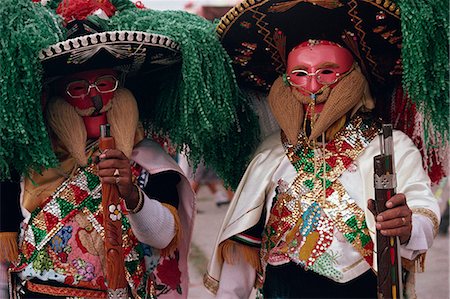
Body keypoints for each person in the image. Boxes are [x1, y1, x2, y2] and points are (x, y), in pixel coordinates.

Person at [0, 0, 258, 298]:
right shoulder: (30, 160)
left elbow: (162, 238)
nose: (96, 100)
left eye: (105, 84)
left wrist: (132, 194)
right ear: (57, 99)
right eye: (79, 90)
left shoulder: (152, 163)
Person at [205, 0, 447, 298]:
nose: (314, 85)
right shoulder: (271, 152)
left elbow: (423, 208)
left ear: (353, 77)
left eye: (328, 72)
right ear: (286, 81)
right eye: (300, 73)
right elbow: (244, 244)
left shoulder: (391, 145)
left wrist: (407, 225)